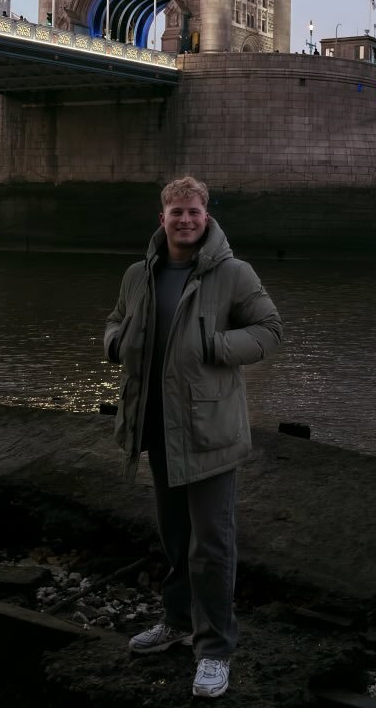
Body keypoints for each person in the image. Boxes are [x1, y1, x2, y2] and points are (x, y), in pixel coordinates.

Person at [104, 176, 281, 699]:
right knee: (175, 537)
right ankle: (178, 623)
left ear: (207, 218)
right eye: (176, 212)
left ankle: (215, 650)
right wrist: (115, 343)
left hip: (209, 430)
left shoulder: (233, 273)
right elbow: (115, 321)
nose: (185, 220)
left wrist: (215, 345)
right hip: (156, 425)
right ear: (162, 218)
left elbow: (270, 331)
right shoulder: (138, 274)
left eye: (194, 212)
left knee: (213, 544)